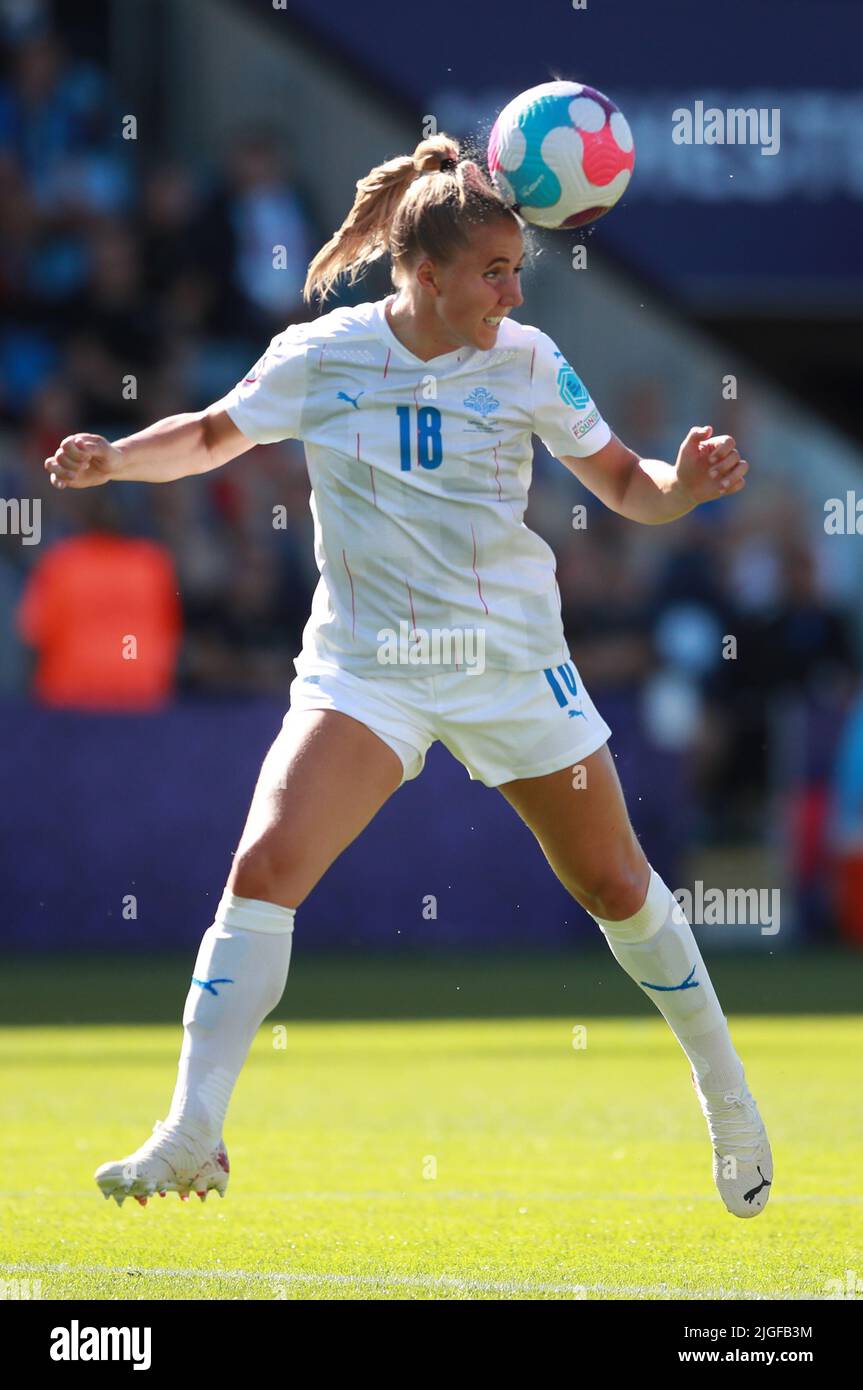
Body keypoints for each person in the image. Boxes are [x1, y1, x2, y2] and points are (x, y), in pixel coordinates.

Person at [44, 136, 769, 1218]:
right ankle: (192, 1130)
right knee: (266, 861)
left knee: (615, 884)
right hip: (367, 665)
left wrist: (687, 484)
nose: (514, 291)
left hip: (508, 664)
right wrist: (116, 456)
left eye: (517, 270)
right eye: (494, 272)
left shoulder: (524, 359)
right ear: (424, 276)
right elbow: (205, 436)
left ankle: (728, 1102)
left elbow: (625, 484)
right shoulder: (323, 353)